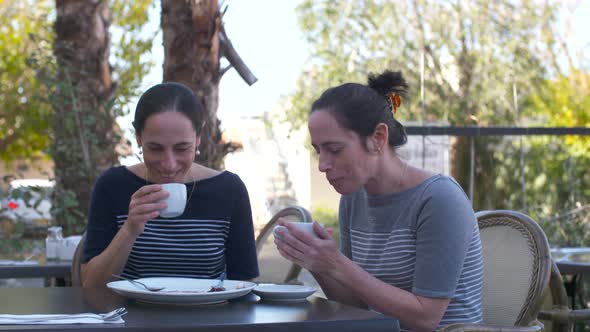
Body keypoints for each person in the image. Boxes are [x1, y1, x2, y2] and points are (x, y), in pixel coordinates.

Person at [274, 70, 483, 331]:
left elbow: (426, 318)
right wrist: (315, 262)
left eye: (335, 149)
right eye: (318, 151)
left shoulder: (439, 199)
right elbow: (357, 305)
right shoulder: (354, 198)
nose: (323, 165)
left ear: (378, 138)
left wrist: (337, 264)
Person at [81, 82, 259, 286]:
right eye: (155, 148)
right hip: (132, 315)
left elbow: (245, 284)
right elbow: (89, 285)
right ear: (138, 137)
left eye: (182, 148)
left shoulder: (229, 189)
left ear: (198, 138)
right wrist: (129, 230)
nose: (169, 164)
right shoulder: (113, 185)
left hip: (208, 316)